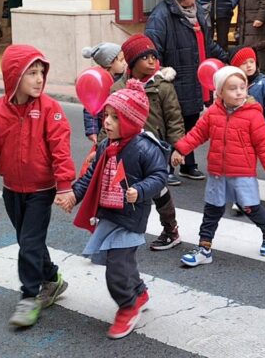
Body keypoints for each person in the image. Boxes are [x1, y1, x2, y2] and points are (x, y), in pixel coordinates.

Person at [0, 44, 76, 328]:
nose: (40, 79)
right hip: (12, 190)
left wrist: (64, 185)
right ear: (14, 76)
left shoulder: (50, 109)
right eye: (32, 73)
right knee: (29, 241)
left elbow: (61, 149)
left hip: (42, 191)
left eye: (42, 72)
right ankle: (52, 278)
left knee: (29, 243)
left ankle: (29, 297)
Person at [68, 81, 168, 340]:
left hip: (131, 217)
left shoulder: (145, 147)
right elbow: (91, 176)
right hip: (109, 214)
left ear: (132, 121)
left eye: (115, 117)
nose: (107, 122)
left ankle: (127, 306)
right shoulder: (106, 146)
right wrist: (74, 195)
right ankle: (138, 293)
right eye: (106, 115)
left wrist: (140, 190)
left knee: (116, 267)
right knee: (123, 263)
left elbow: (160, 175)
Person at [173, 66, 265, 267]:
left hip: (242, 172)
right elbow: (197, 134)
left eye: (242, 87)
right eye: (233, 88)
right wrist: (181, 150)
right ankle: (204, 248)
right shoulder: (212, 113)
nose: (239, 92)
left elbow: (264, 143)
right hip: (217, 172)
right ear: (220, 92)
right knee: (212, 210)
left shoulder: (253, 115)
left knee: (250, 207)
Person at [145, 0, 229, 181]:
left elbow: (207, 43)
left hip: (195, 78)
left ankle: (187, 163)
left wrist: (228, 57)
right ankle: (164, 168)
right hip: (174, 80)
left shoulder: (197, 10)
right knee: (172, 124)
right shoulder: (160, 16)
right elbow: (153, 51)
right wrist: (161, 73)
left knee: (191, 120)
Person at [111, 34, 184, 251]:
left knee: (157, 190)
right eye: (145, 57)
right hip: (126, 149)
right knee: (125, 190)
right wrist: (102, 146)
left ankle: (170, 230)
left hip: (155, 150)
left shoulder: (163, 86)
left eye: (154, 56)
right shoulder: (118, 88)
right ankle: (122, 230)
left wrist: (179, 148)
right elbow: (109, 119)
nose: (152, 61)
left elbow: (174, 119)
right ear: (133, 61)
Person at [80, 42, 126, 151]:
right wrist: (92, 130)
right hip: (103, 127)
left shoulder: (124, 79)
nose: (124, 63)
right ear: (109, 63)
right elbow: (90, 108)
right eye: (121, 60)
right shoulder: (97, 82)